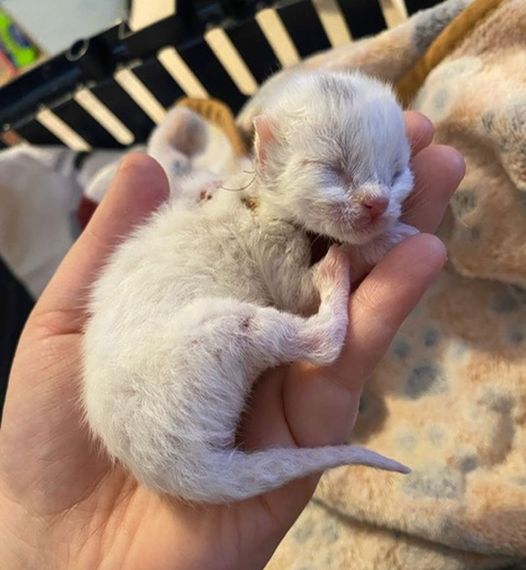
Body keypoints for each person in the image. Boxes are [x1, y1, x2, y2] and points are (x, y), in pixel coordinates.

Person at [0, 111, 464, 570]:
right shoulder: (255, 218)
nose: (378, 197)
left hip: (159, 402)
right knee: (216, 326)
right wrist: (335, 274)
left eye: (396, 173)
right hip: (159, 397)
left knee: (215, 321)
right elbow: (291, 289)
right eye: (332, 170)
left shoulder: (243, 200)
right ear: (268, 156)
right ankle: (318, 336)